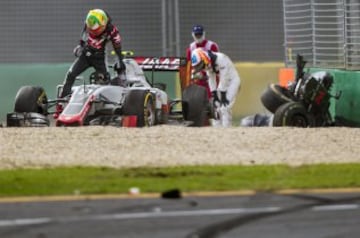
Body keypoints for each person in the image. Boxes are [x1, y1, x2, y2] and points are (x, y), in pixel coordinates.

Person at [54, 9, 126, 118]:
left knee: (105, 81)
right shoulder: (89, 23)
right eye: (90, 27)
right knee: (70, 75)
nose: (92, 30)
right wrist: (80, 46)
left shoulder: (112, 31)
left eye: (95, 28)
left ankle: (106, 110)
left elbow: (117, 46)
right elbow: (83, 34)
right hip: (85, 55)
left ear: (104, 24)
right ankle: (61, 105)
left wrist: (119, 60)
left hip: (100, 57)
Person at [191, 48, 241, 127]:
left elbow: (224, 78)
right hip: (223, 84)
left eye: (200, 65)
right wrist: (214, 94)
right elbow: (211, 79)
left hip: (233, 82)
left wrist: (220, 93)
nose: (200, 68)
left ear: (204, 58)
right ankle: (217, 131)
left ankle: (226, 130)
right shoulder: (209, 64)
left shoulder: (221, 59)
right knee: (215, 108)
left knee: (225, 107)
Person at [186, 25, 219, 97]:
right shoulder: (191, 48)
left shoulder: (211, 46)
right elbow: (189, 64)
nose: (198, 36)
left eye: (200, 34)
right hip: (197, 80)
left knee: (213, 98)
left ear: (203, 34)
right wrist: (193, 73)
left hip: (211, 77)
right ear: (193, 35)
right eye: (196, 34)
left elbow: (216, 62)